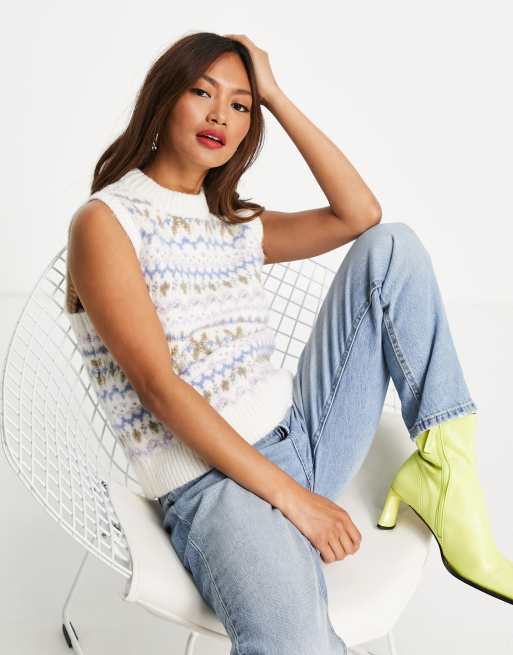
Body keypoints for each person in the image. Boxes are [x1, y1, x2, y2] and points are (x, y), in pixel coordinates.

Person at [66, 31, 513, 655]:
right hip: (213, 483)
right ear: (163, 100)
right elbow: (159, 390)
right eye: (202, 93)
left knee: (393, 249)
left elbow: (360, 215)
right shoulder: (105, 222)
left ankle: (447, 478)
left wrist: (275, 94)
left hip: (306, 434)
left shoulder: (231, 222)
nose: (221, 116)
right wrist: (295, 501)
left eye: (240, 105)